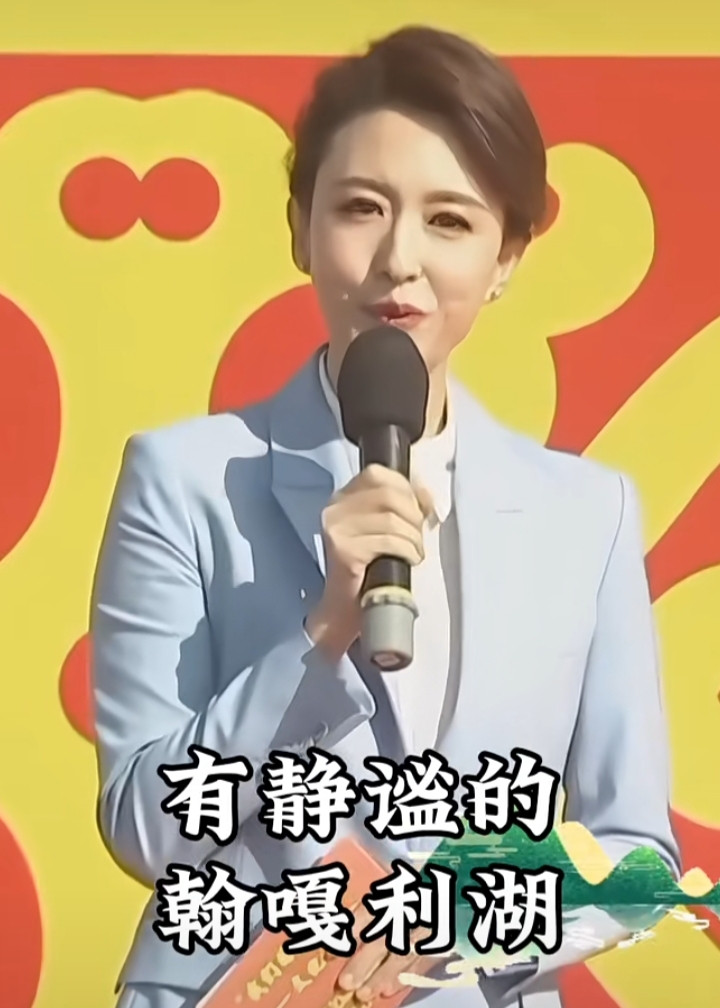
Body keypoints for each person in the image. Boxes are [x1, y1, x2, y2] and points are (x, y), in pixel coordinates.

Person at [91, 24, 681, 1008]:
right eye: (361, 208)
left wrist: (458, 921)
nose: (399, 259)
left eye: (450, 220)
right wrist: (318, 636)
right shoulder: (183, 479)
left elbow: (637, 862)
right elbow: (145, 827)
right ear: (300, 228)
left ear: (507, 256)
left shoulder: (588, 515)